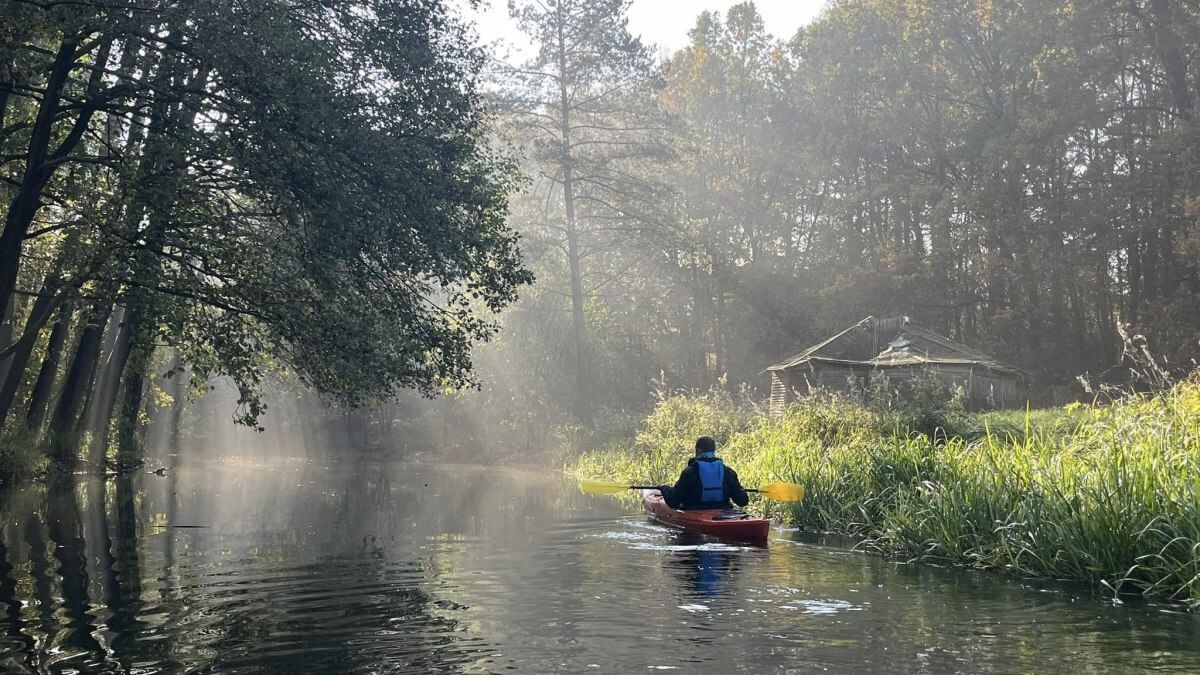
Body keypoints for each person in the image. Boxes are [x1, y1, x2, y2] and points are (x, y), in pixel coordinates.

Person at [659, 436, 749, 510]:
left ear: (698, 450)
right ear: (713, 450)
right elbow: (742, 501)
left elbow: (673, 502)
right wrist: (741, 489)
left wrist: (665, 489)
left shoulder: (689, 472)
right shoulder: (728, 472)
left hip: (693, 511)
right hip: (723, 511)